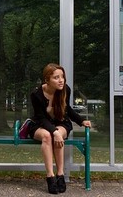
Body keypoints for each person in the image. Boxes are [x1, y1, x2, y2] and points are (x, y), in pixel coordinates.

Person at [29, 63, 91, 194]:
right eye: (56, 77)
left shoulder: (65, 90)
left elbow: (67, 109)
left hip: (61, 122)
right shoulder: (36, 94)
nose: (61, 80)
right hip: (40, 124)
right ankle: (50, 177)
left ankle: (60, 175)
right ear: (47, 79)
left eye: (62, 76)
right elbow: (41, 118)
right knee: (47, 136)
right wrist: (54, 132)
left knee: (58, 134)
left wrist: (81, 121)